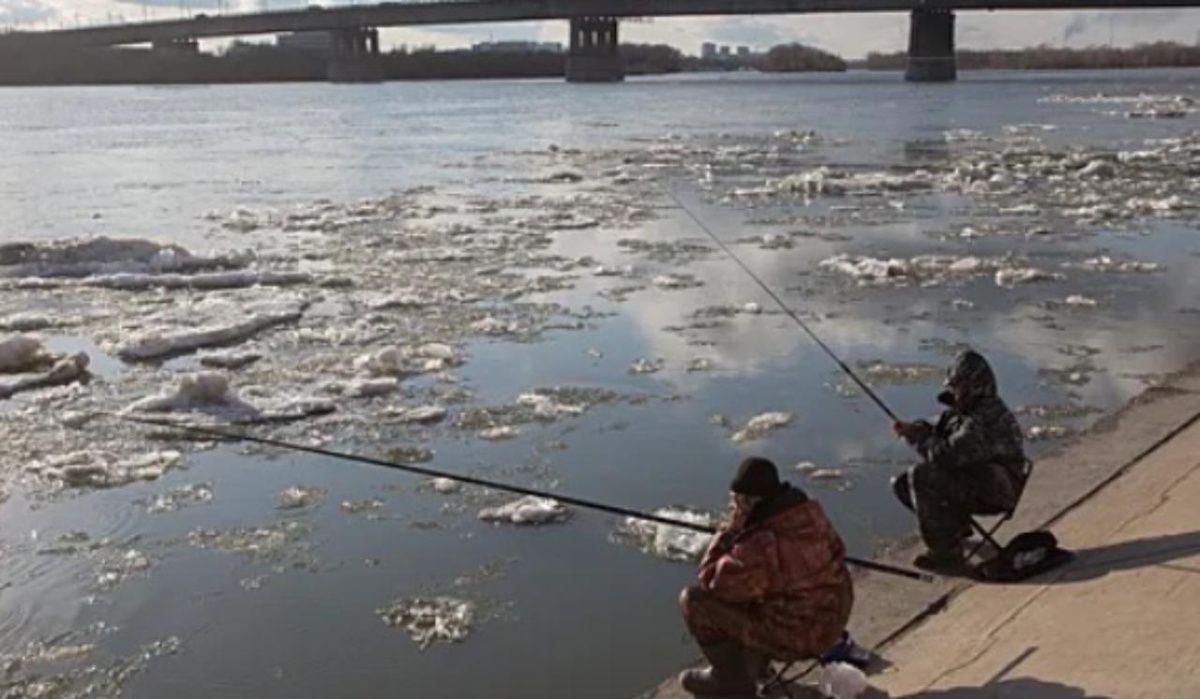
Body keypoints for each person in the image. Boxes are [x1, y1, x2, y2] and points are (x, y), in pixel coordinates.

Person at [678, 457, 854, 698]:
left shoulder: (760, 544)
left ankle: (729, 681)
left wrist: (728, 531)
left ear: (750, 501)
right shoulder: (809, 513)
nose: (735, 507)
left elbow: (711, 581)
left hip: (800, 636)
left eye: (738, 501)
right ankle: (756, 666)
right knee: (756, 588)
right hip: (834, 619)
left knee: (695, 601)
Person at [892, 349, 1028, 572]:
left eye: (958, 387)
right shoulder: (963, 411)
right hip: (976, 480)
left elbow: (946, 455)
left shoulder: (984, 417)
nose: (953, 392)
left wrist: (918, 440)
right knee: (903, 484)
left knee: (922, 476)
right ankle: (955, 528)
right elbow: (937, 429)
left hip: (997, 490)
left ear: (974, 386)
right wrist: (914, 429)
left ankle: (946, 553)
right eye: (953, 386)